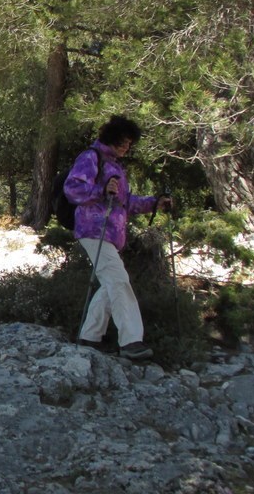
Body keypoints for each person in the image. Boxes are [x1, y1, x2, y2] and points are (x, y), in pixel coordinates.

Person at [64, 114, 172, 360]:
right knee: (119, 281)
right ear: (111, 137)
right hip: (93, 230)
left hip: (110, 234)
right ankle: (131, 341)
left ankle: (89, 336)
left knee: (110, 283)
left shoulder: (115, 166)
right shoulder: (91, 157)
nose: (127, 146)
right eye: (123, 141)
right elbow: (72, 188)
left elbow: (127, 203)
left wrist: (155, 203)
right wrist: (101, 190)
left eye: (130, 143)